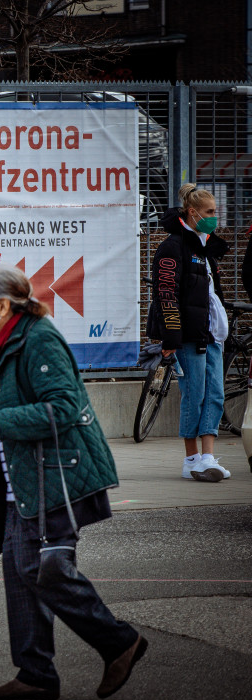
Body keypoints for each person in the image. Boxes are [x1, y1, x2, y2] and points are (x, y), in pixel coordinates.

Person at [0, 263, 146, 700]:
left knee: (40, 570)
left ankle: (118, 641)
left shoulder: (38, 338)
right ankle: (35, 673)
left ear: (4, 306)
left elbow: (64, 407)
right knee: (19, 571)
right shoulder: (5, 339)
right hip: (19, 477)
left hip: (53, 474)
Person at [147, 184, 231, 482]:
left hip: (211, 334)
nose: (214, 218)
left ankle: (208, 457)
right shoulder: (172, 246)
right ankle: (191, 459)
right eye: (209, 212)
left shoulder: (205, 247)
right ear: (192, 212)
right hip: (187, 336)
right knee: (194, 394)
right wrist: (171, 337)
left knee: (215, 395)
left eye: (215, 212)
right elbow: (165, 293)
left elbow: (211, 293)